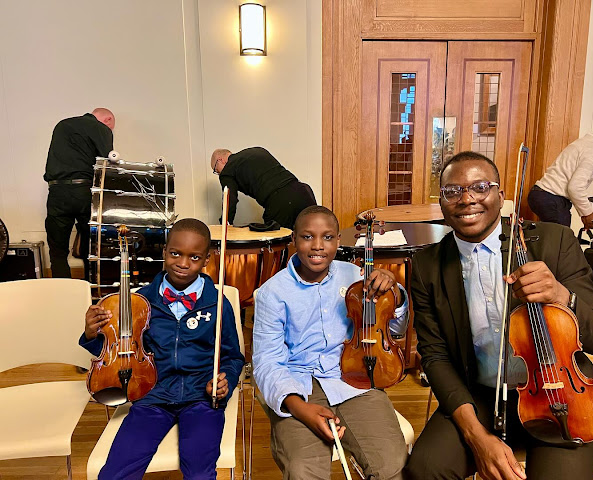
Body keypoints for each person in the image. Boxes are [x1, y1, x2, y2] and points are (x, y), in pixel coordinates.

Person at [404, 152, 593, 480]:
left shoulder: (553, 242)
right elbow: (435, 355)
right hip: (479, 395)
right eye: (452, 191)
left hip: (560, 393)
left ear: (501, 197)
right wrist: (476, 436)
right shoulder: (427, 264)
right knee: (425, 469)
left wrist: (560, 294)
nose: (467, 199)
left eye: (480, 187)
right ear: (442, 204)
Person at [80, 218, 245, 479]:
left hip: (202, 398)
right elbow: (117, 350)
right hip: (152, 396)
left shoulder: (218, 302)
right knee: (114, 474)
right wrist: (91, 333)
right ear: (164, 252)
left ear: (207, 260)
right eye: (176, 253)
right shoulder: (140, 300)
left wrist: (226, 379)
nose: (183, 263)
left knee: (200, 474)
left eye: (194, 257)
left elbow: (233, 357)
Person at [253, 205, 409, 479]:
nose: (317, 246)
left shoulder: (356, 276)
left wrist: (395, 293)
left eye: (327, 237)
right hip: (298, 386)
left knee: (392, 464)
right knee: (304, 470)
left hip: (353, 378)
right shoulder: (271, 293)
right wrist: (299, 408)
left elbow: (393, 329)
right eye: (307, 237)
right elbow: (267, 362)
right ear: (294, 240)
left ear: (338, 240)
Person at [44, 108, 116, 279]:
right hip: (85, 191)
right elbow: (107, 163)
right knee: (90, 246)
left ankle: (62, 293)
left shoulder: (62, 125)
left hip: (56, 191)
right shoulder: (101, 129)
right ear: (107, 119)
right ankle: (88, 290)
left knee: (58, 251)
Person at [528, 114, 593, 229]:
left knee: (553, 241)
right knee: (562, 242)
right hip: (552, 198)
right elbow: (575, 187)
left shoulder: (588, 141)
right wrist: (588, 213)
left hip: (541, 194)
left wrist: (584, 213)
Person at [211, 147, 316, 229]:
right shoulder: (258, 151)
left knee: (277, 247)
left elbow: (229, 199)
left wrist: (225, 225)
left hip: (282, 201)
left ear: (221, 160)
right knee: (313, 235)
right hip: (303, 191)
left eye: (216, 170)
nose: (219, 173)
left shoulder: (227, 170)